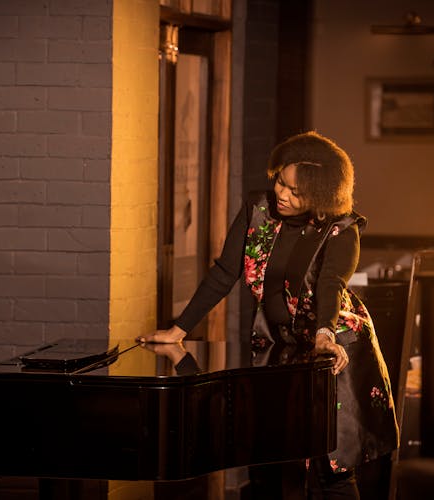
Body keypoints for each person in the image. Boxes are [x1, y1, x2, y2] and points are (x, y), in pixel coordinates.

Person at [139, 131, 399, 499]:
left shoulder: (341, 229)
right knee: (275, 460)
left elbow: (330, 285)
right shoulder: (257, 209)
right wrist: (178, 329)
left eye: (296, 191)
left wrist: (325, 334)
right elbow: (224, 273)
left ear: (321, 196)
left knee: (331, 469)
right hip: (281, 350)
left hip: (334, 350)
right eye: (281, 180)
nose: (282, 193)